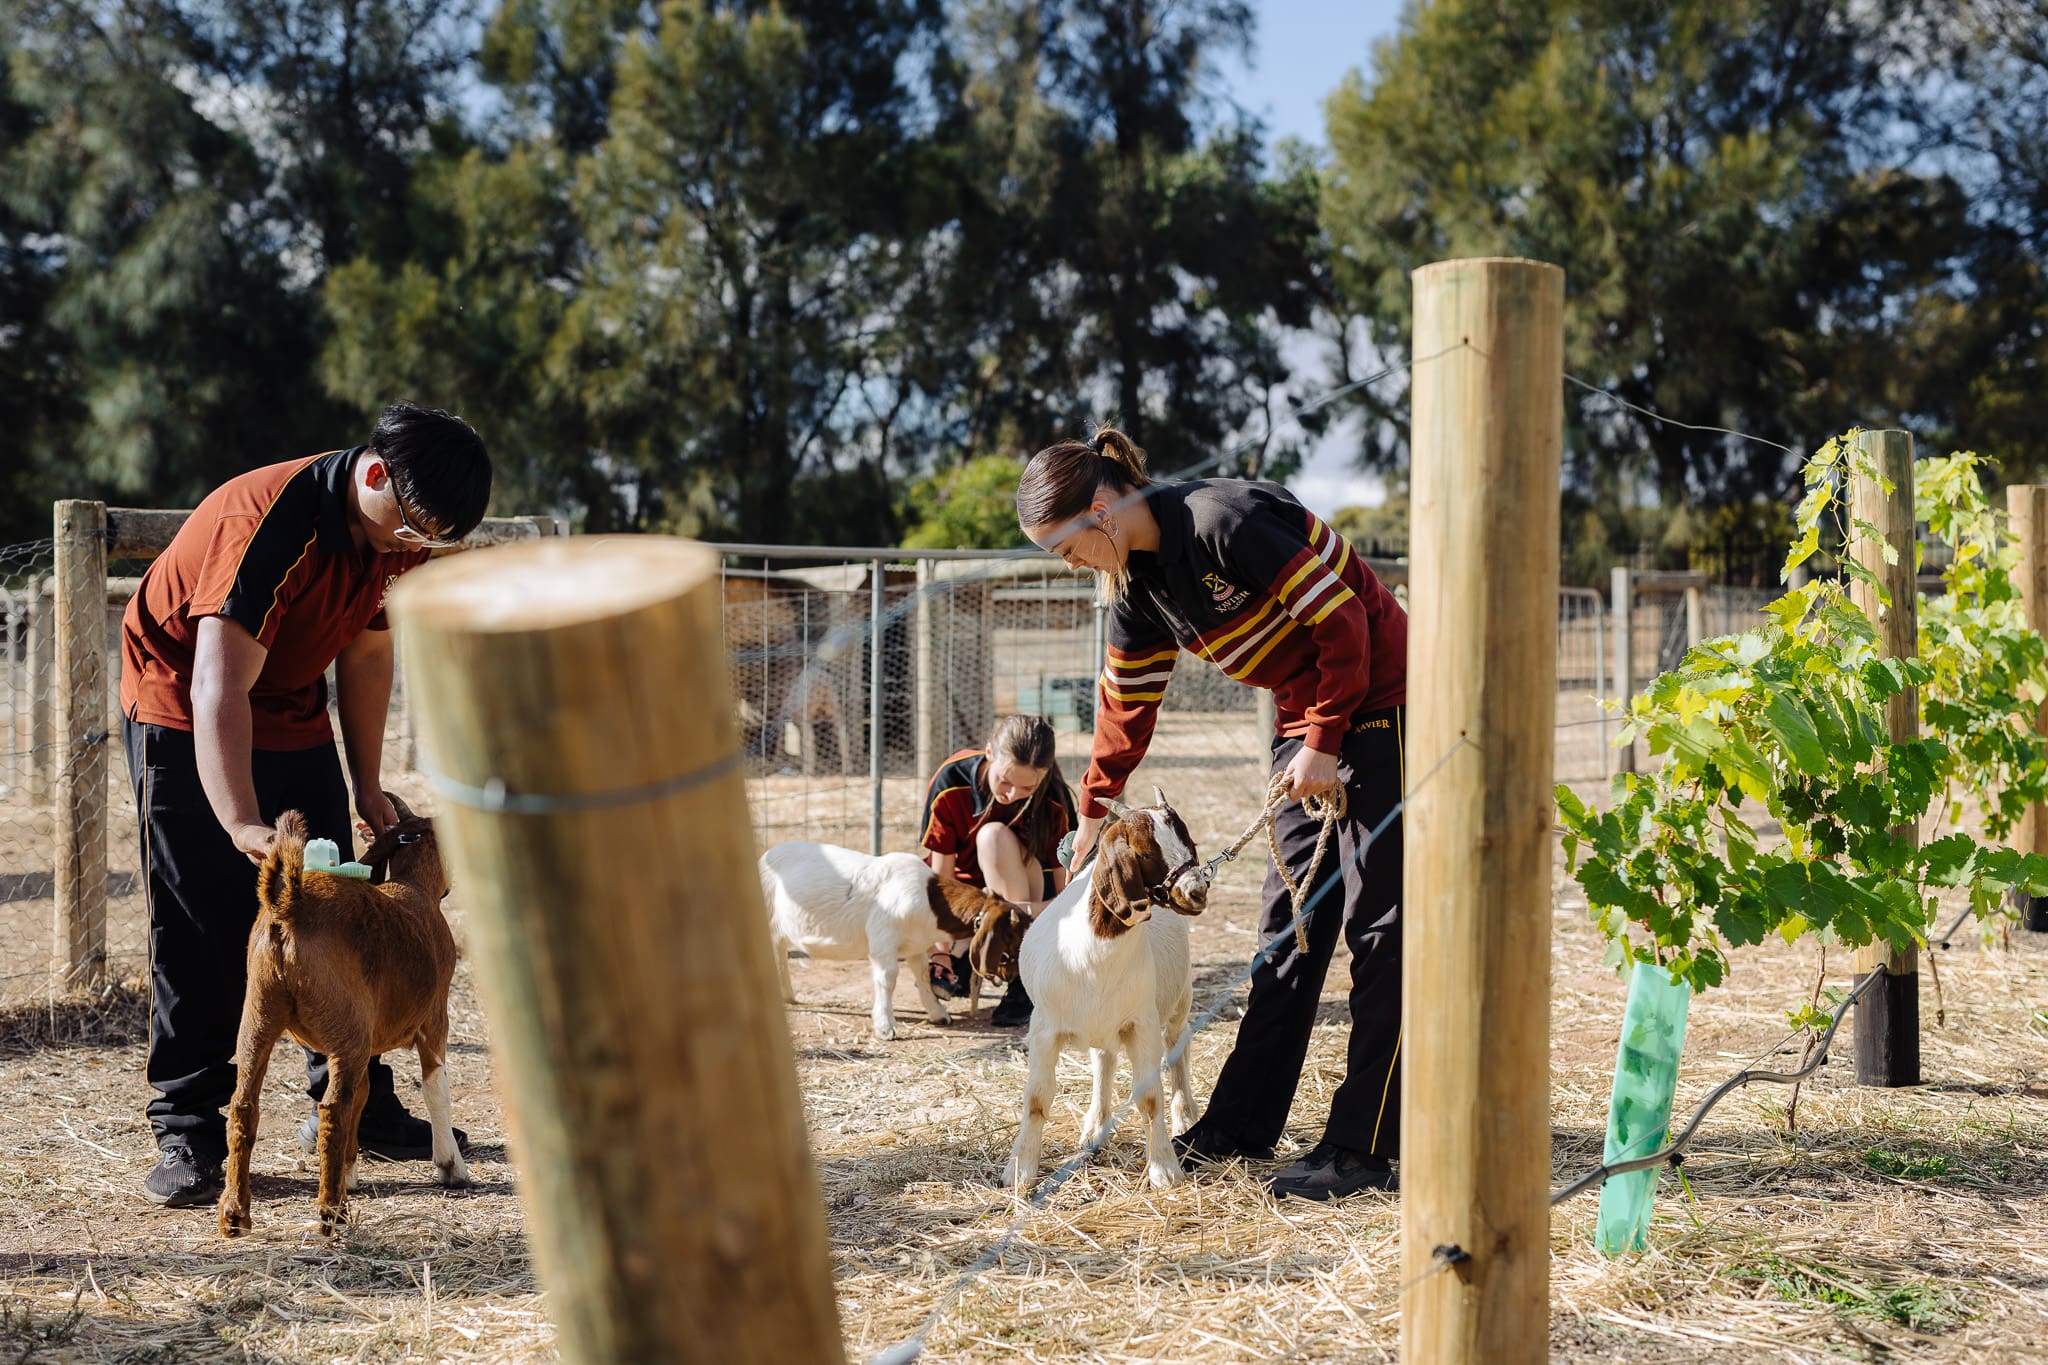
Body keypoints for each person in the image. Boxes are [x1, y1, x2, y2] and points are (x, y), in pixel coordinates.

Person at [1015, 426, 1408, 1201]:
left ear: (1101, 511)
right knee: (1288, 931)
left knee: (1377, 929)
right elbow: (1125, 709)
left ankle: (1363, 1144)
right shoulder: (1138, 589)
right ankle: (1240, 1125)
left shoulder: (1224, 521)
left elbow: (1346, 624)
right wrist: (1091, 814)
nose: (1066, 565)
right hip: (1306, 727)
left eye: (1063, 547)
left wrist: (1325, 741)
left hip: (1383, 702)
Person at [121, 402, 493, 1207]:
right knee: (206, 913)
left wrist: (365, 781)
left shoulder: (399, 539)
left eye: (435, 539)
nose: (416, 546)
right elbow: (218, 683)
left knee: (343, 897)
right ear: (373, 474)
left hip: (288, 700)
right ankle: (188, 1126)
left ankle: (358, 1099)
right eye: (415, 525)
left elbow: (365, 653)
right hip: (183, 696)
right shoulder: (272, 524)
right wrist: (238, 823)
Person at [920, 714, 1078, 1028]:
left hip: (1028, 901)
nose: (1010, 794)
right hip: (971, 900)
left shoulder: (1055, 797)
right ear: (989, 752)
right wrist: (940, 952)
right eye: (1004, 781)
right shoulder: (950, 779)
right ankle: (967, 959)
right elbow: (942, 880)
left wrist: (1049, 923)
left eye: (1026, 787)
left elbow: (1066, 890)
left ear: (1043, 776)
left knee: (992, 837)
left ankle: (1023, 971)